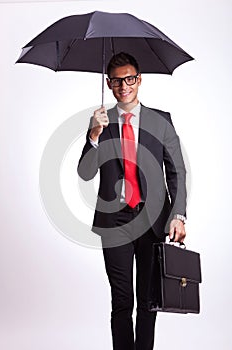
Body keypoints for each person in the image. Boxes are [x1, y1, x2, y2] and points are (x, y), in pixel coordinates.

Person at [78, 52, 187, 350]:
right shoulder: (99, 122)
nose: (123, 85)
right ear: (109, 84)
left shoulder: (161, 121)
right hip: (115, 224)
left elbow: (176, 171)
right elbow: (85, 172)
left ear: (139, 80)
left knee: (149, 302)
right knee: (122, 301)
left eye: (129, 79)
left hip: (152, 221)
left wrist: (178, 214)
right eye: (116, 80)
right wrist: (94, 135)